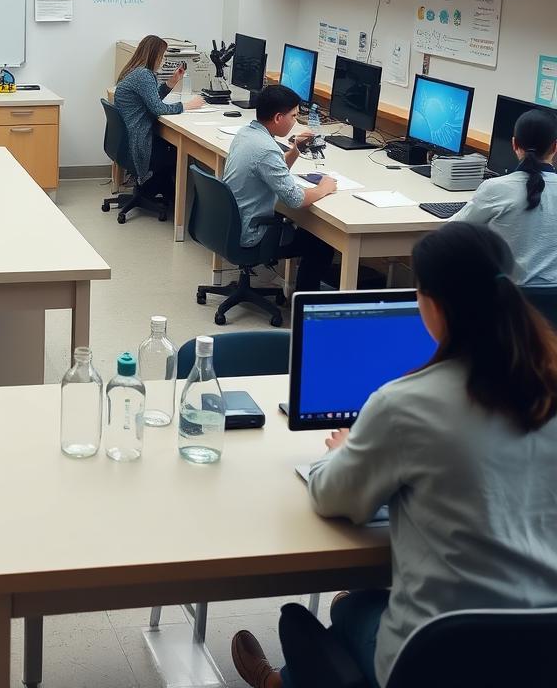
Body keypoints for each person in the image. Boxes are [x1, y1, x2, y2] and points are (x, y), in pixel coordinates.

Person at [231, 222, 557, 688]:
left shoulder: (405, 402)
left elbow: (333, 497)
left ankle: (283, 681)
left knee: (351, 606)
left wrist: (341, 453)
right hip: (543, 655)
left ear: (431, 305)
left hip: (437, 660)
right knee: (359, 599)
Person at [222, 84, 337, 292]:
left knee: (307, 231)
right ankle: (303, 305)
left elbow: (270, 170)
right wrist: (324, 188)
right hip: (252, 233)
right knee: (320, 242)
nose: (295, 122)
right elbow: (295, 200)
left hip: (230, 225)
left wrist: (295, 150)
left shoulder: (246, 133)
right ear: (277, 118)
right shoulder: (267, 150)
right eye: (293, 116)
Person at [451, 108, 557, 284]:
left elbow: (451, 233)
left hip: (504, 303)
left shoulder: (496, 188)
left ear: (514, 144)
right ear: (555, 147)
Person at [113, 35, 203, 200]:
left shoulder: (134, 71)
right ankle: (171, 198)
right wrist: (186, 106)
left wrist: (171, 82)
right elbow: (157, 108)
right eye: (162, 56)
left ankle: (160, 191)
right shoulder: (144, 75)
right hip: (139, 141)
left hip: (130, 139)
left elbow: (150, 99)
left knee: (169, 146)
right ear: (153, 55)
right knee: (177, 152)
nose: (163, 61)